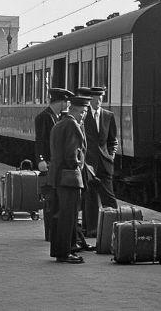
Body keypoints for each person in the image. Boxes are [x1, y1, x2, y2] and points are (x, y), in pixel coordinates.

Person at [48, 95, 91, 264]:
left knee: (59, 215)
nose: (84, 115)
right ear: (78, 110)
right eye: (84, 111)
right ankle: (67, 252)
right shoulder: (73, 125)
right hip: (69, 178)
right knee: (69, 216)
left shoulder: (59, 123)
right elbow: (71, 154)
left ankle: (59, 251)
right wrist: (78, 165)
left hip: (57, 176)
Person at [35, 88, 74, 241]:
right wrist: (40, 159)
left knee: (56, 199)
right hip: (48, 164)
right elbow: (40, 141)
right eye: (67, 102)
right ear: (61, 102)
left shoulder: (58, 117)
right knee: (50, 201)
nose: (69, 105)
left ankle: (55, 232)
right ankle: (50, 233)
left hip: (56, 164)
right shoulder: (44, 117)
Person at [79, 86, 119, 209]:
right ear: (90, 100)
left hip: (104, 164)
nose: (98, 102)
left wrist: (110, 156)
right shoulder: (83, 116)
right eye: (95, 99)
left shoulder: (108, 116)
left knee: (110, 199)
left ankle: (111, 225)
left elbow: (113, 140)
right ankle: (89, 227)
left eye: (100, 99)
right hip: (88, 164)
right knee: (89, 199)